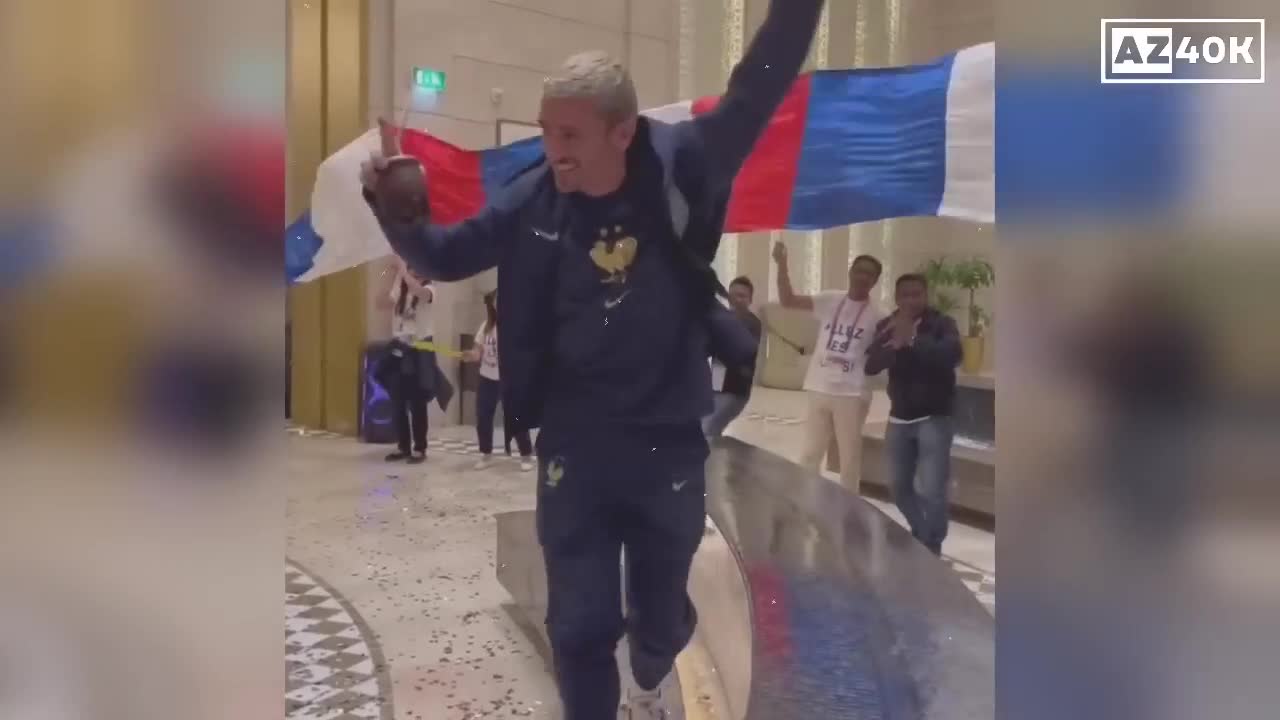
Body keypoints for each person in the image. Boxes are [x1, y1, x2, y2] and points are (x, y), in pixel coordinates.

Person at [362, 1, 826, 715]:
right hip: (574, 442)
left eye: (570, 134)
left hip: (667, 438)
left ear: (623, 131)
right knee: (577, 626)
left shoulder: (686, 165)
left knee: (656, 622)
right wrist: (397, 206)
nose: (554, 149)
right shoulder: (534, 200)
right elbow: (445, 255)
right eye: (547, 132)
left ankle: (660, 648)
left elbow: (759, 83)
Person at [773, 242, 883, 494]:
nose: (863, 276)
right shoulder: (830, 299)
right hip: (819, 385)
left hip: (852, 393)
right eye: (859, 270)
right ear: (850, 272)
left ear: (876, 280)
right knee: (811, 452)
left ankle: (849, 507)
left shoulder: (879, 314)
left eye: (869, 273)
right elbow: (788, 300)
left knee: (849, 458)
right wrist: (781, 266)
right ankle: (805, 499)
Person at [864, 273, 962, 555]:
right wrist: (893, 345)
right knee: (898, 486)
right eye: (904, 294)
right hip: (899, 417)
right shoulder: (887, 325)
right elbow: (870, 365)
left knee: (932, 488)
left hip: (934, 417)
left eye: (916, 294)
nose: (910, 299)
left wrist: (913, 342)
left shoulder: (942, 324)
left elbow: (952, 355)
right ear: (896, 297)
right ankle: (922, 532)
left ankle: (932, 545)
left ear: (926, 295)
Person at [463, 290, 535, 471]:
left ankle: (526, 455)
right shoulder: (486, 326)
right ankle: (486, 454)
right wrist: (471, 355)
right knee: (483, 416)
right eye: (497, 300)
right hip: (487, 377)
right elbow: (477, 351)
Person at [376, 258, 435, 464]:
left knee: (417, 401)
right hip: (399, 347)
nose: (414, 270)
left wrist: (402, 270)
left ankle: (420, 448)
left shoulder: (430, 289)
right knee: (397, 400)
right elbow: (381, 303)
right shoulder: (401, 286)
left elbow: (420, 292)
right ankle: (403, 446)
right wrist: (387, 276)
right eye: (411, 266)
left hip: (419, 349)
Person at [703, 276, 761, 439]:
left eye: (742, 296)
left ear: (750, 300)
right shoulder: (722, 320)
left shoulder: (752, 323)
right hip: (714, 388)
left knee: (707, 429)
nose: (737, 299)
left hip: (734, 392)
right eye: (734, 295)